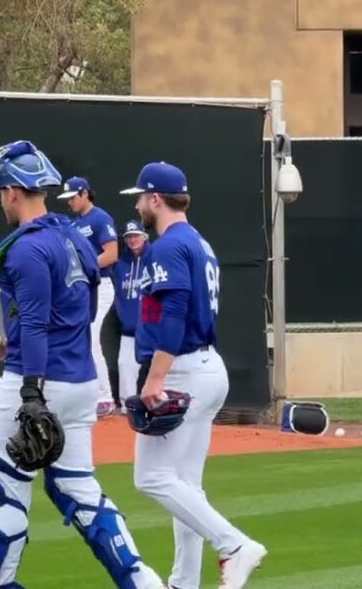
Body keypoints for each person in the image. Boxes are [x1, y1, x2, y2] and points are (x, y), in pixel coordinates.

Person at [0, 141, 164, 589]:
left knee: (6, 489)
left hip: (37, 380)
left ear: (14, 192)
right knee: (77, 490)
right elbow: (74, 304)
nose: (2, 199)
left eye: (3, 191)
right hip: (80, 384)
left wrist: (31, 393)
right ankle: (143, 581)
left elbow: (37, 323)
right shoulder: (74, 237)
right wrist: (14, 336)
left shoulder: (25, 248)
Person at [121, 162, 266, 589]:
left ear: (155, 199)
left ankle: (235, 545)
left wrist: (154, 378)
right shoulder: (198, 242)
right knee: (185, 485)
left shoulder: (166, 246)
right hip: (205, 367)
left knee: (151, 477)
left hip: (181, 367)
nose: (137, 204)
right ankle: (184, 582)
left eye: (140, 196)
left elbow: (175, 311)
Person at [58, 176, 120, 416]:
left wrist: (85, 267)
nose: (70, 202)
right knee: (79, 338)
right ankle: (86, 393)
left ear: (84, 194)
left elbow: (112, 253)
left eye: (73, 197)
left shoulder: (100, 218)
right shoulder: (73, 225)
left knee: (91, 338)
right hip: (83, 287)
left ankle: (105, 397)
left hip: (101, 284)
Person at [111, 220, 150, 408]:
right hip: (128, 330)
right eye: (129, 237)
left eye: (136, 235)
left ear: (144, 236)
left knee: (160, 370)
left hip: (151, 328)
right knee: (125, 368)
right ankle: (128, 409)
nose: (133, 240)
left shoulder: (154, 258)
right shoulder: (120, 265)